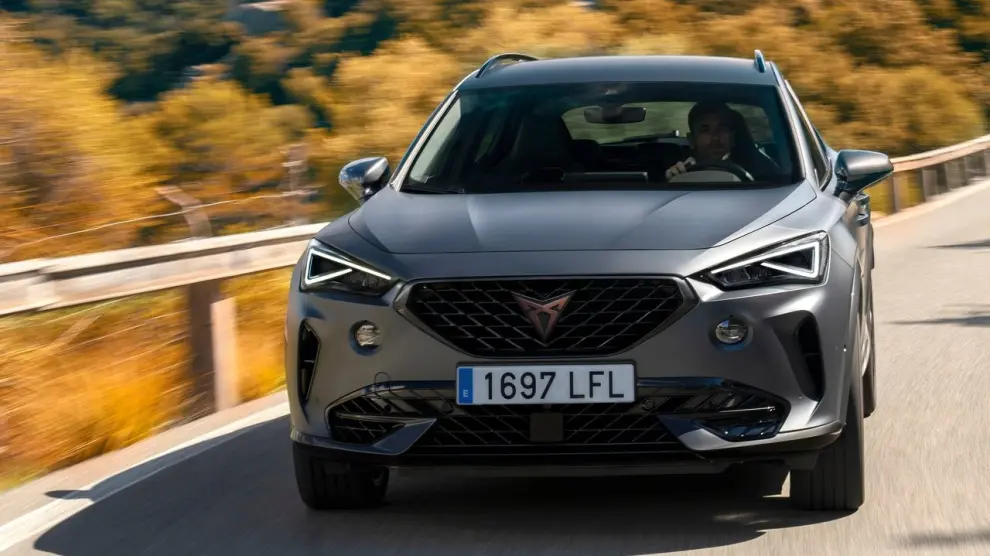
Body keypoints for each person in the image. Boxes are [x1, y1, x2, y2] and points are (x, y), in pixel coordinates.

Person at [665, 101, 780, 181]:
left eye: (722, 129)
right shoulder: (682, 172)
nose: (715, 137)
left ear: (732, 138)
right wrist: (674, 179)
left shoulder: (760, 174)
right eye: (705, 131)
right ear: (691, 140)